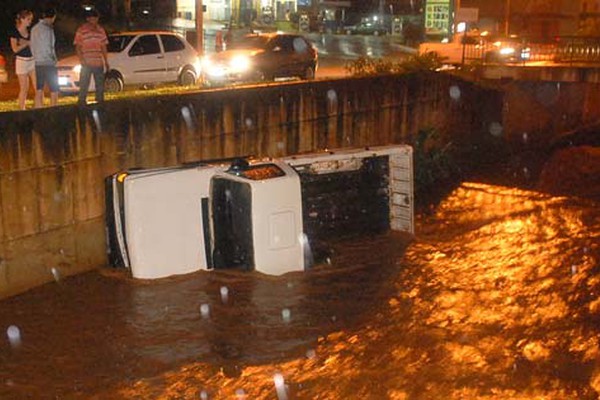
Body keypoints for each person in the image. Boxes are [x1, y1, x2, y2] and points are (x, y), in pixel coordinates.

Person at [73, 8, 108, 106]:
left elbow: (104, 46)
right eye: (93, 19)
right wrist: (82, 60)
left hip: (98, 62)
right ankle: (81, 102)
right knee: (84, 84)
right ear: (88, 19)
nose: (95, 21)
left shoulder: (100, 30)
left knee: (100, 85)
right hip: (86, 62)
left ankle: (100, 102)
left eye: (96, 19)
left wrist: (105, 60)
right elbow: (78, 47)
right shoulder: (81, 30)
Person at [30, 7, 58, 108]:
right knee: (54, 88)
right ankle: (53, 108)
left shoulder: (34, 28)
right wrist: (53, 59)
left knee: (39, 88)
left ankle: (38, 108)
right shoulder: (47, 29)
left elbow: (32, 45)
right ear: (53, 17)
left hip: (37, 62)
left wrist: (36, 57)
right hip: (48, 62)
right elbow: (49, 46)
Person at [9, 10, 35, 110]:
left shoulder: (30, 31)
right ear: (22, 19)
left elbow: (33, 44)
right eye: (28, 19)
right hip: (21, 62)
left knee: (37, 86)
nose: (30, 21)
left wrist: (26, 43)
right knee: (24, 88)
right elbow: (15, 49)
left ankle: (38, 106)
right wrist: (26, 43)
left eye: (31, 19)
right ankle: (22, 109)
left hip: (32, 60)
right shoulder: (14, 32)